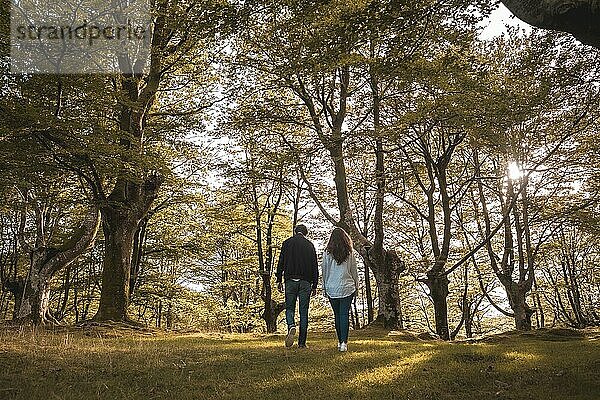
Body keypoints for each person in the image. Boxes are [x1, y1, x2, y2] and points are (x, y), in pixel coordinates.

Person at [276, 224, 319, 349]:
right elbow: (314, 266)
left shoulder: (287, 243)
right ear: (305, 233)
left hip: (290, 280)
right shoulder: (310, 245)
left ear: (295, 232)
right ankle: (302, 343)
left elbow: (281, 262)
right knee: (303, 311)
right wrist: (315, 284)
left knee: (290, 308)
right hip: (305, 282)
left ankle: (291, 326)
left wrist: (279, 279)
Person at [321, 227, 359, 352]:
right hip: (347, 286)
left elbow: (324, 271)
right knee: (344, 314)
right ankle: (344, 343)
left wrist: (324, 287)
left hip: (332, 287)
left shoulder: (327, 253)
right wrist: (357, 286)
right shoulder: (350, 252)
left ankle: (339, 341)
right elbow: (354, 271)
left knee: (337, 315)